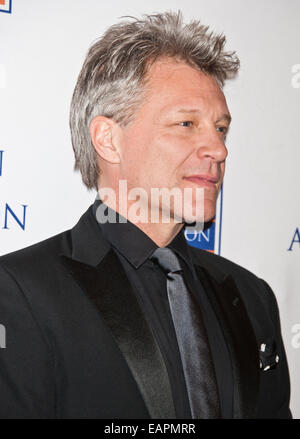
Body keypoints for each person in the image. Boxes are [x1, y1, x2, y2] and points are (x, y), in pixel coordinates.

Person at [0, 11, 292, 419]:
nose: (219, 149)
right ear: (108, 140)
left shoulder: (251, 295)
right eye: (186, 123)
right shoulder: (17, 294)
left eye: (221, 128)